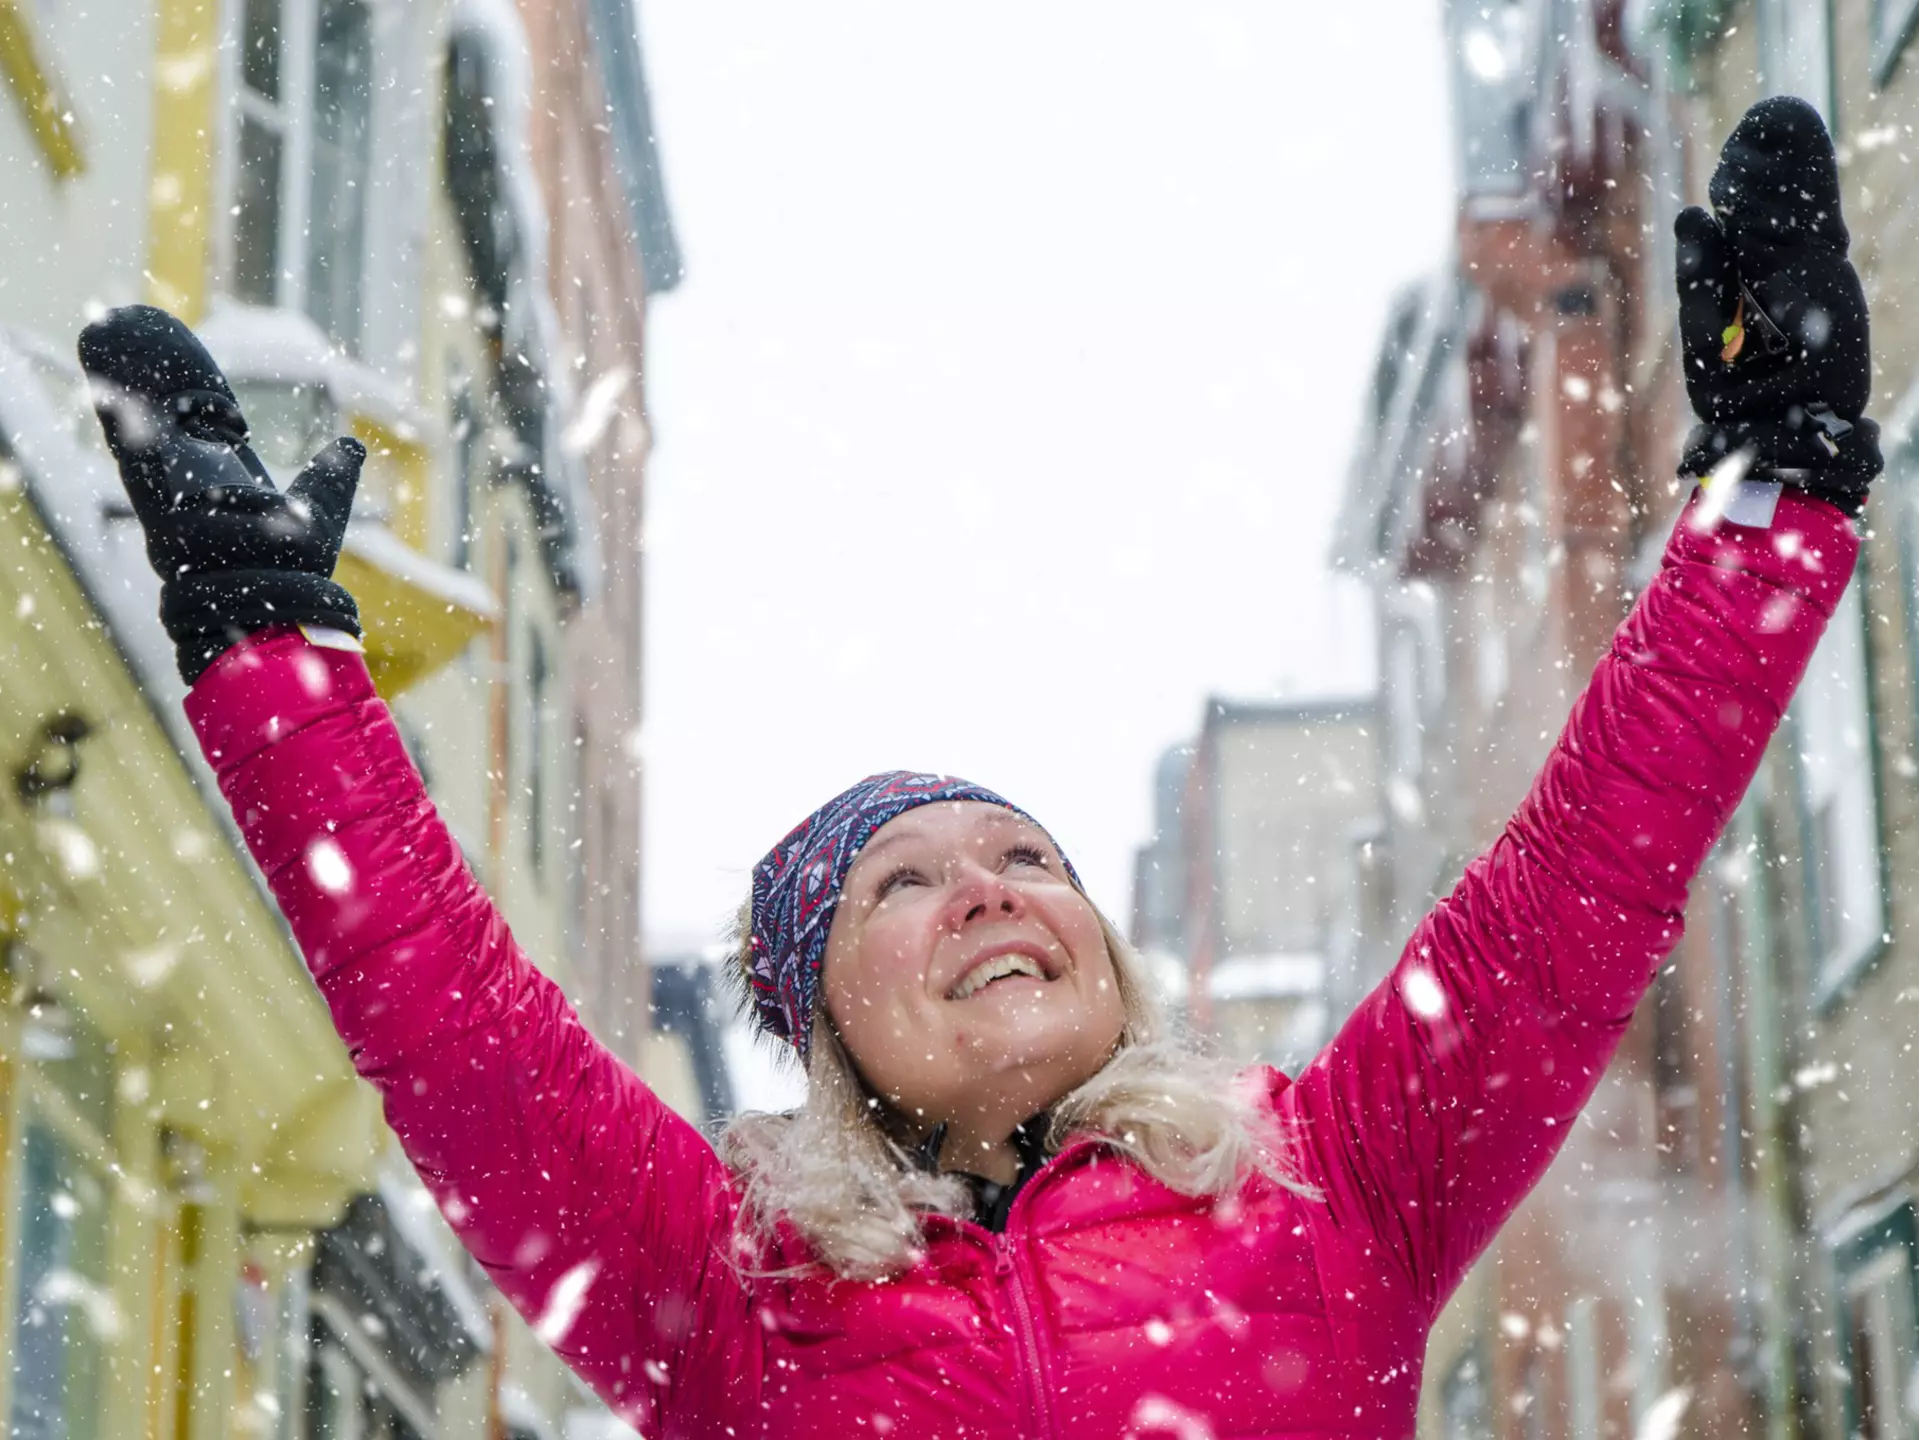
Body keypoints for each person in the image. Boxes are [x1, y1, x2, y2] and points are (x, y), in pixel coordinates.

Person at [77, 96, 1879, 1439]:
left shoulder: (1332, 1183)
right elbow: (447, 1019)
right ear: (821, 1016)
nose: (992, 890)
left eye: (1025, 858)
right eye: (907, 883)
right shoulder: (728, 1295)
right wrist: (270, 658)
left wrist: (1768, 509)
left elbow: (1584, 881)